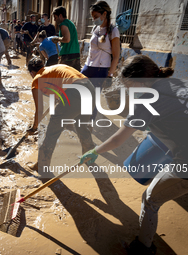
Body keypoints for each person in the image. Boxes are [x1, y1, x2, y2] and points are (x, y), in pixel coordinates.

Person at [79, 55, 188, 255]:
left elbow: (118, 140)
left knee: (150, 199)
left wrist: (94, 151)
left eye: (128, 85)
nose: (128, 90)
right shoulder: (178, 82)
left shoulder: (146, 100)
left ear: (139, 81)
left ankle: (143, 248)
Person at [27, 57, 96, 173]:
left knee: (52, 132)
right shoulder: (52, 69)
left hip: (74, 91)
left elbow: (39, 111)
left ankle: (41, 165)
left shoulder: (37, 79)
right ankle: (89, 156)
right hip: (90, 88)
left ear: (31, 73)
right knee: (82, 126)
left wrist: (34, 127)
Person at [81, 1, 120, 121]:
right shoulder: (95, 28)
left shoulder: (113, 31)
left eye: (96, 17)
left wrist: (110, 75)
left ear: (104, 14)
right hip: (88, 66)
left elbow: (116, 55)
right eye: (93, 17)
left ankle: (89, 123)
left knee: (93, 97)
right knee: (79, 90)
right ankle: (79, 117)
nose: (94, 20)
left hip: (101, 70)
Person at [52, 6, 81, 71]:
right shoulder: (70, 23)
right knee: (75, 78)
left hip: (67, 55)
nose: (54, 20)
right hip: (76, 54)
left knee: (61, 77)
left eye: (55, 17)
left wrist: (57, 39)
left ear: (60, 15)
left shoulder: (63, 24)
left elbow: (67, 39)